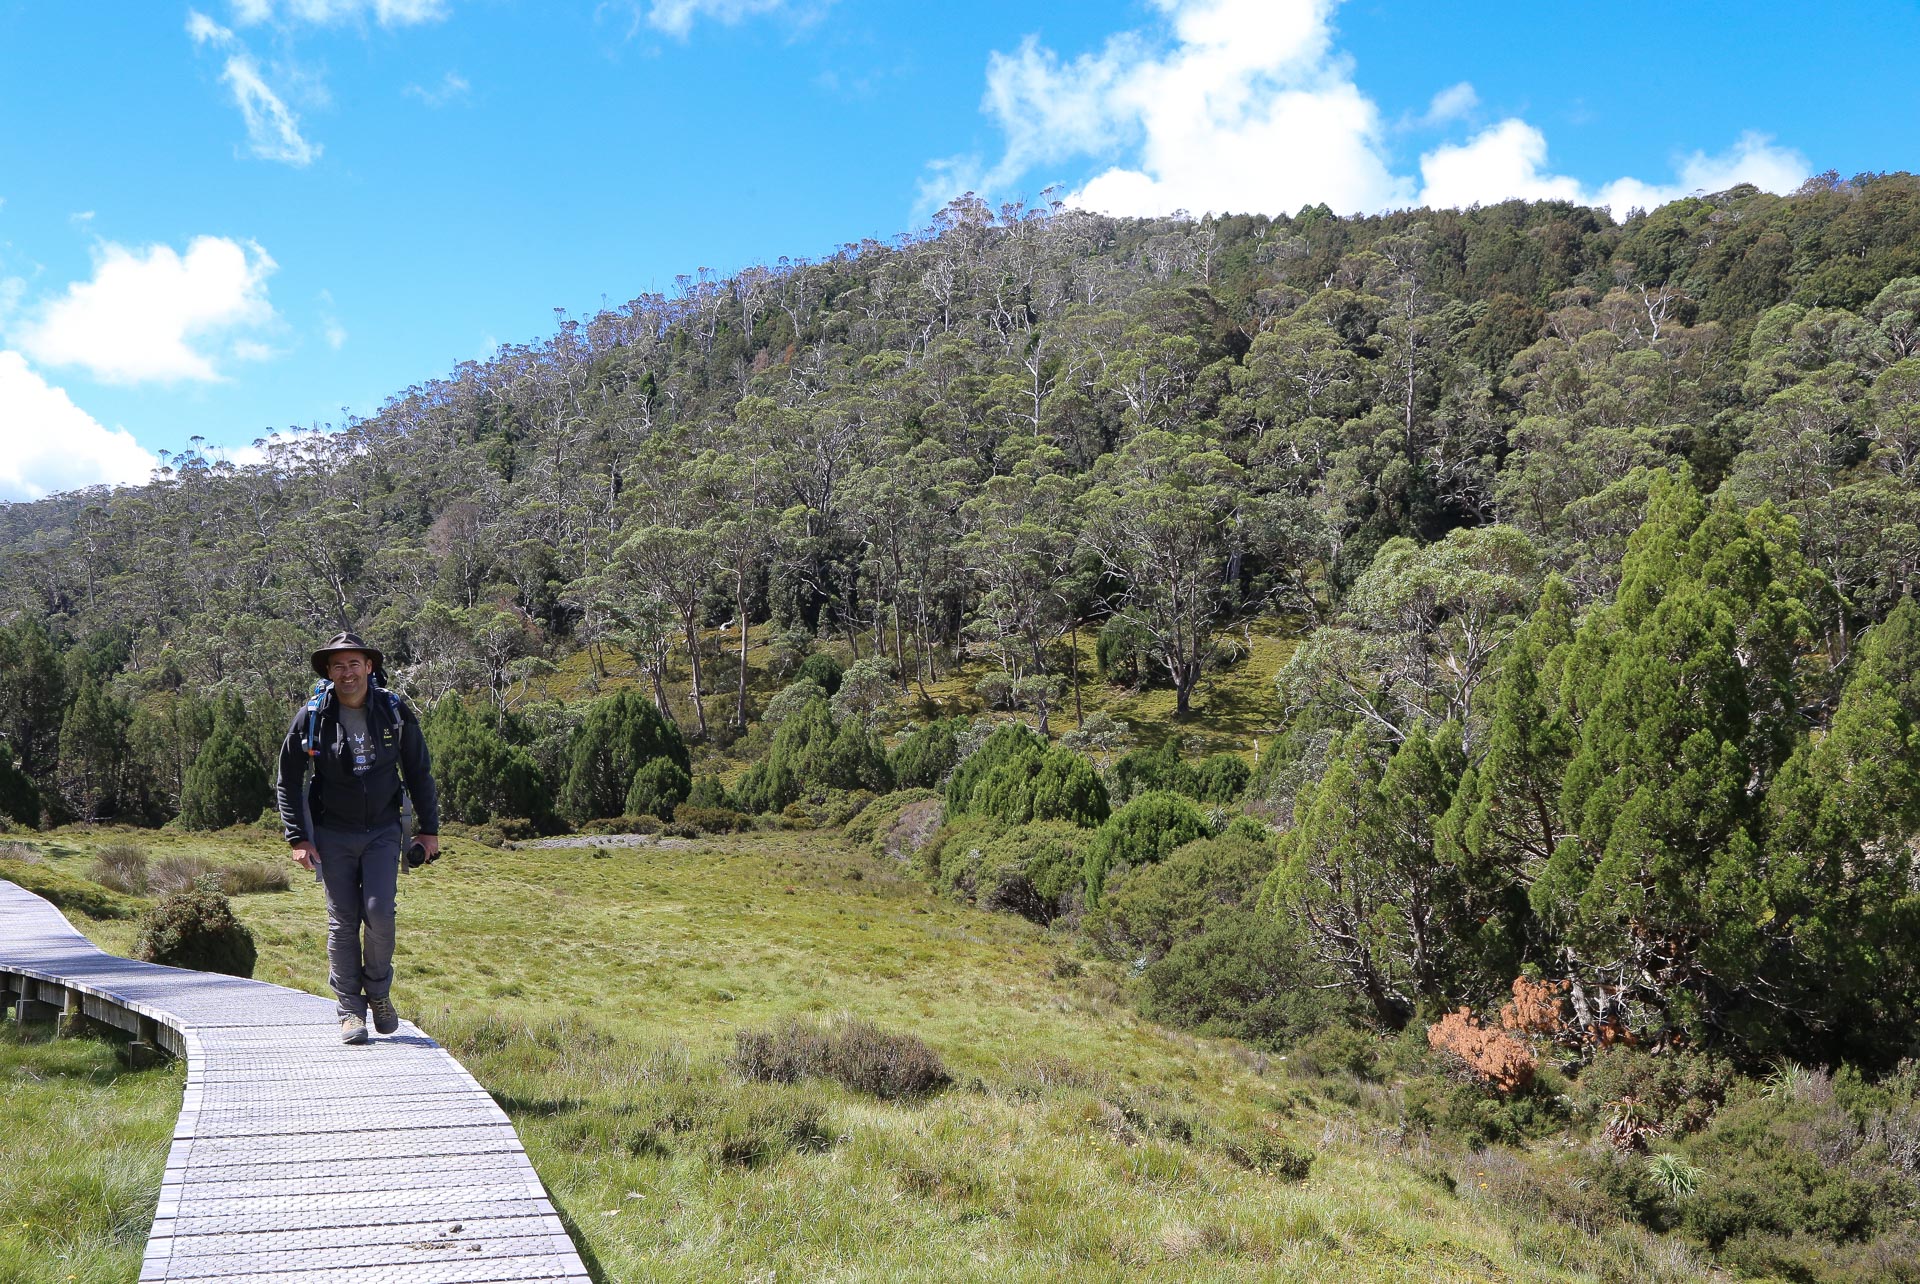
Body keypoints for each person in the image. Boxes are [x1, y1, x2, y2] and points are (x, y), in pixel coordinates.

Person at [275, 632, 440, 1045]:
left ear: (369, 666)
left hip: (384, 829)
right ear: (328, 672)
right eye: (338, 666)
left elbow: (419, 771)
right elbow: (288, 780)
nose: (346, 673)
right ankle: (350, 1009)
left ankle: (379, 995)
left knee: (380, 913)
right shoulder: (311, 716)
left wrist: (429, 829)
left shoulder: (393, 710)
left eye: (354, 664)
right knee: (343, 921)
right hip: (331, 832)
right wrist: (298, 837)